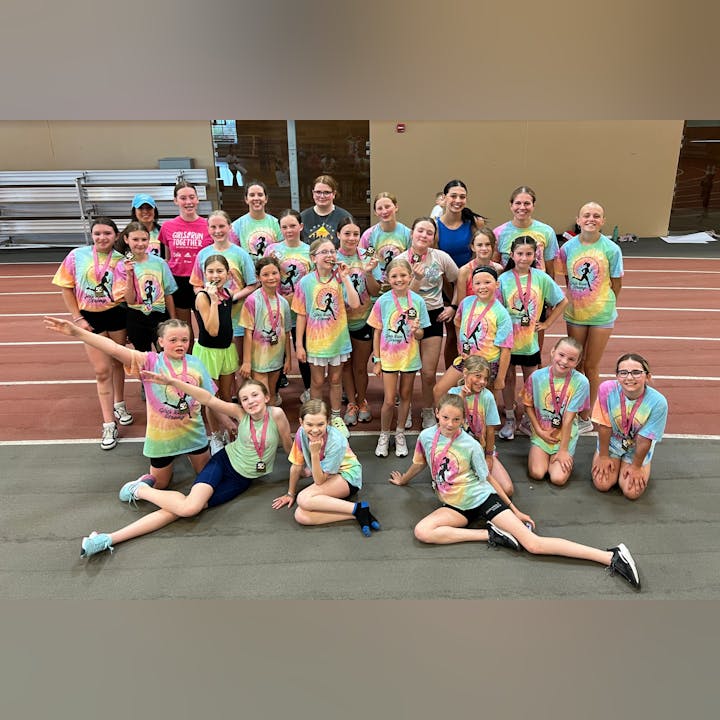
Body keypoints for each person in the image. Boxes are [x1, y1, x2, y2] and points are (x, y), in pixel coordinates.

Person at [389, 393, 642, 589]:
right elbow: (420, 463)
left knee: (533, 544)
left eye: (457, 419)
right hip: (454, 506)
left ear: (464, 420)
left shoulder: (470, 445)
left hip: (482, 500)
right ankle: (489, 534)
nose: (450, 424)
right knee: (422, 531)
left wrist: (514, 509)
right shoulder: (425, 437)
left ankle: (611, 556)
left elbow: (487, 478)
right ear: (437, 414)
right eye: (445, 418)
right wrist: (405, 480)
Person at [78, 377, 292, 558]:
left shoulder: (277, 415)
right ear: (241, 404)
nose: (250, 401)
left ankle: (108, 538)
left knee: (183, 509)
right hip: (223, 463)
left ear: (266, 397)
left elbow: (288, 442)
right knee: (189, 508)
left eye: (255, 395)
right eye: (245, 398)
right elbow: (208, 398)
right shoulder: (239, 413)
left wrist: (302, 466)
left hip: (241, 480)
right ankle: (139, 490)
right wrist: (173, 382)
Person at [43, 316, 228, 489]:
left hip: (193, 434)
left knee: (206, 480)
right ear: (161, 342)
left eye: (184, 340)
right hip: (162, 439)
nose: (180, 344)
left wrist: (227, 421)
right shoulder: (148, 361)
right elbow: (114, 348)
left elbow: (210, 399)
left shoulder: (196, 363)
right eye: (173, 340)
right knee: (160, 485)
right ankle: (137, 489)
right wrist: (78, 332)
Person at [51, 217, 132, 450]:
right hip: (90, 317)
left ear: (116, 236)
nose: (102, 238)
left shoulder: (121, 260)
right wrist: (77, 318)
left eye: (107, 233)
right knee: (101, 371)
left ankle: (120, 403)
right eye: (97, 233)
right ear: (92, 235)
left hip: (117, 314)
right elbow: (66, 286)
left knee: (118, 363)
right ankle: (109, 423)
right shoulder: (77, 256)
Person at [557, 202, 623, 433]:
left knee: (591, 366)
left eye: (596, 216)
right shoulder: (567, 249)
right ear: (578, 219)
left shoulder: (611, 249)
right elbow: (567, 280)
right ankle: (573, 408)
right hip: (576, 314)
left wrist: (600, 302)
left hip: (601, 315)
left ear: (603, 221)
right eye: (587, 215)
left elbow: (616, 284)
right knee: (575, 364)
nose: (591, 219)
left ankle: (586, 415)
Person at [271, 399, 380, 537]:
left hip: (347, 477)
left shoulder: (336, 441)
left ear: (328, 422)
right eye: (309, 424)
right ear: (301, 422)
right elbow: (296, 465)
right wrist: (290, 493)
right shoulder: (300, 433)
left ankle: (356, 508)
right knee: (301, 516)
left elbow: (320, 481)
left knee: (303, 499)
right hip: (326, 475)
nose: (315, 430)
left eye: (320, 424)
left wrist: (315, 454)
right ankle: (357, 513)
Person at [497, 236, 567, 440]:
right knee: (508, 379)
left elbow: (562, 301)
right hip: (508, 342)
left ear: (535, 255)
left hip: (529, 343)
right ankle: (510, 417)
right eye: (520, 254)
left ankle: (528, 419)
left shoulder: (541, 278)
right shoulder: (503, 279)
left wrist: (546, 324)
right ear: (512, 255)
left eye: (529, 254)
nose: (524, 258)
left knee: (531, 381)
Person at [292, 238, 361, 437]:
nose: (330, 255)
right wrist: (299, 344)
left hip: (338, 341)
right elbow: (301, 314)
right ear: (313, 258)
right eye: (324, 252)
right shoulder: (305, 282)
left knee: (337, 379)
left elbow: (355, 304)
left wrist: (346, 277)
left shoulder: (340, 279)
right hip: (316, 342)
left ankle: (336, 417)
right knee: (317, 382)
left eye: (332, 251)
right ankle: (314, 417)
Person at [395, 217, 459, 429]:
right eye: (420, 231)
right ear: (412, 233)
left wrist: (453, 306)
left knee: (429, 372)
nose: (424, 236)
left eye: (429, 233)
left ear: (434, 237)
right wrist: (416, 280)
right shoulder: (402, 259)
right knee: (406, 370)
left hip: (433, 316)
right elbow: (403, 296)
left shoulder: (440, 257)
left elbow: (458, 278)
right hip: (408, 317)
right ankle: (406, 407)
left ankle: (428, 410)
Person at [368, 258, 430, 457]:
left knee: (405, 397)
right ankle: (384, 434)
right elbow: (377, 332)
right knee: (388, 400)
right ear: (388, 278)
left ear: (411, 277)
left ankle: (400, 432)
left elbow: (421, 334)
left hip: (409, 358)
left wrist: (416, 329)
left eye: (403, 275)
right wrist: (376, 360)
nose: (399, 279)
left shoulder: (418, 301)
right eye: (394, 276)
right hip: (388, 359)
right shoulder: (383, 301)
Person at [591, 353, 668, 500]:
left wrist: (636, 466)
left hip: (637, 446)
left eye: (636, 372)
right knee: (602, 484)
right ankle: (610, 457)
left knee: (631, 492)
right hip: (613, 441)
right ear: (617, 376)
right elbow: (604, 426)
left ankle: (642, 463)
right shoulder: (606, 389)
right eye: (623, 372)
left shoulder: (658, 402)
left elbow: (645, 439)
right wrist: (603, 456)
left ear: (648, 376)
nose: (629, 377)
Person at [190, 210, 257, 374]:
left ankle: (242, 395)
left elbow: (252, 284)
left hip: (237, 316)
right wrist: (205, 295)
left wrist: (232, 297)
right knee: (218, 364)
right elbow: (197, 284)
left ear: (229, 227)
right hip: (213, 316)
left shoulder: (240, 254)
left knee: (239, 361)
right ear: (208, 229)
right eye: (213, 227)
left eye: (222, 226)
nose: (218, 231)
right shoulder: (203, 254)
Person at [433, 264, 513, 399]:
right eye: (478, 283)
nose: (482, 287)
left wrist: (500, 378)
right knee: (438, 391)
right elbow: (457, 322)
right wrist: (461, 346)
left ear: (497, 284)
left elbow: (506, 349)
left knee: (481, 405)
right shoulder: (466, 303)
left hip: (487, 365)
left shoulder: (501, 313)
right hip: (466, 360)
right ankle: (442, 420)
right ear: (472, 286)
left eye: (487, 282)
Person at [520, 337, 590, 486]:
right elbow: (528, 405)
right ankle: (543, 452)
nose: (564, 362)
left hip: (565, 435)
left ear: (577, 362)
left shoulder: (581, 382)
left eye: (571, 359)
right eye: (561, 355)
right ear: (553, 352)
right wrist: (539, 431)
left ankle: (561, 453)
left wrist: (563, 450)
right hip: (542, 434)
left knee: (557, 479)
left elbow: (569, 418)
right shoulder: (537, 377)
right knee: (537, 473)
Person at [436, 180, 486, 370]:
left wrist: (470, 288)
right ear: (444, 198)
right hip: (447, 288)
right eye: (453, 196)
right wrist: (453, 299)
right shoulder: (436, 227)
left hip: (472, 285)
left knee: (475, 332)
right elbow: (438, 266)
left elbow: (480, 254)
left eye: (462, 197)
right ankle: (453, 374)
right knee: (453, 334)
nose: (458, 200)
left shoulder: (474, 222)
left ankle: (475, 372)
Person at [335, 217, 381, 426]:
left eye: (355, 234)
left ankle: (362, 401)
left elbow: (374, 290)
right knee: (345, 366)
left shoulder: (368, 255)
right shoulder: (332, 257)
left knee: (360, 367)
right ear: (338, 235)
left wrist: (369, 272)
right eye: (347, 233)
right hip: (339, 323)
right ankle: (351, 403)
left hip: (363, 319)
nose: (352, 238)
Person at [446, 356, 513, 496]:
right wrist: (462, 397)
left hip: (481, 451)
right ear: (465, 373)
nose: (482, 382)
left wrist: (489, 456)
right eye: (477, 376)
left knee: (507, 490)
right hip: (458, 452)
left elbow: (490, 430)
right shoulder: (453, 394)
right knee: (459, 491)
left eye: (485, 378)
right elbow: (449, 426)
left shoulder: (487, 396)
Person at [193, 255, 240, 454]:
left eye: (220, 271)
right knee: (211, 398)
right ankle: (215, 436)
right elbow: (212, 330)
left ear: (227, 274)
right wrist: (213, 301)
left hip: (227, 350)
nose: (215, 275)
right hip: (208, 353)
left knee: (227, 395)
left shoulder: (227, 293)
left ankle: (230, 434)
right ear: (205, 274)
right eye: (210, 271)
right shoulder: (203, 296)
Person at [265, 209, 313, 402]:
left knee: (304, 352)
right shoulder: (272, 250)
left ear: (301, 226)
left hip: (303, 312)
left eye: (293, 226)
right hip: (278, 311)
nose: (289, 230)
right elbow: (266, 277)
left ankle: (309, 388)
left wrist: (297, 298)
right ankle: (274, 391)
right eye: (284, 227)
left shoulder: (309, 251)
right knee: (275, 351)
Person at [158, 181, 212, 347]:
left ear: (197, 199)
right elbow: (166, 257)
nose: (188, 202)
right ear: (176, 201)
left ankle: (204, 365)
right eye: (183, 198)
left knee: (206, 327)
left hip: (200, 282)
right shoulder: (167, 227)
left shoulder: (208, 225)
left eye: (192, 197)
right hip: (178, 282)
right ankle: (185, 365)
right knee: (183, 330)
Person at [115, 222, 177, 353]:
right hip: (136, 317)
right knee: (143, 358)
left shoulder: (159, 263)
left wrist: (172, 319)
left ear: (149, 240)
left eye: (144, 239)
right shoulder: (121, 266)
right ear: (126, 239)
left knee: (166, 355)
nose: (140, 243)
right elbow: (130, 300)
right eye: (135, 239)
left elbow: (168, 293)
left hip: (159, 315)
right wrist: (129, 274)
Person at [239, 256, 292, 407]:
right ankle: (262, 427)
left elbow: (286, 332)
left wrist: (288, 358)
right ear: (258, 277)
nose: (271, 278)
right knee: (262, 395)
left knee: (272, 394)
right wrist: (247, 361)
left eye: (274, 273)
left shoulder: (283, 302)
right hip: (259, 358)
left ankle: (271, 426)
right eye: (265, 274)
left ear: (280, 274)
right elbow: (248, 332)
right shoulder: (252, 300)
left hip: (276, 356)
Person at [493, 186, 559, 276]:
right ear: (511, 205)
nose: (522, 207)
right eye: (518, 203)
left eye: (527, 203)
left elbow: (550, 267)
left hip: (537, 287)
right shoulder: (499, 233)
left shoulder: (547, 231)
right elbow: (494, 265)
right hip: (509, 287)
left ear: (533, 205)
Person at [359, 192, 411, 287]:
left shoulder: (407, 234)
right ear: (375, 212)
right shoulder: (369, 236)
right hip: (377, 286)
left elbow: (413, 259)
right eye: (379, 208)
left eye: (387, 207)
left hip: (401, 285)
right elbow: (364, 260)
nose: (384, 211)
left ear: (396, 207)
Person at [230, 180, 282, 261]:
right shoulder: (236, 226)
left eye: (260, 195)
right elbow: (234, 254)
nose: (256, 198)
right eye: (252, 195)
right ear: (246, 199)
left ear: (266, 199)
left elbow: (282, 252)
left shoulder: (277, 224)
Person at [455, 227, 504, 307]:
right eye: (479, 245)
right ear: (473, 247)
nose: (484, 248)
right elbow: (462, 304)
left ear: (493, 246)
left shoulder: (499, 269)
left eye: (487, 244)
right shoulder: (464, 271)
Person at [300, 174, 351, 246]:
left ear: (334, 194)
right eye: (318, 192)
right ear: (313, 193)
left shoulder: (345, 217)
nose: (322, 196)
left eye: (326, 192)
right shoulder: (303, 217)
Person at [129, 193, 164, 257]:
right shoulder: (127, 233)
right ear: (134, 211)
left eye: (149, 208)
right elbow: (123, 256)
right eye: (140, 208)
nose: (145, 211)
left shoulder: (163, 232)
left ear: (154, 210)